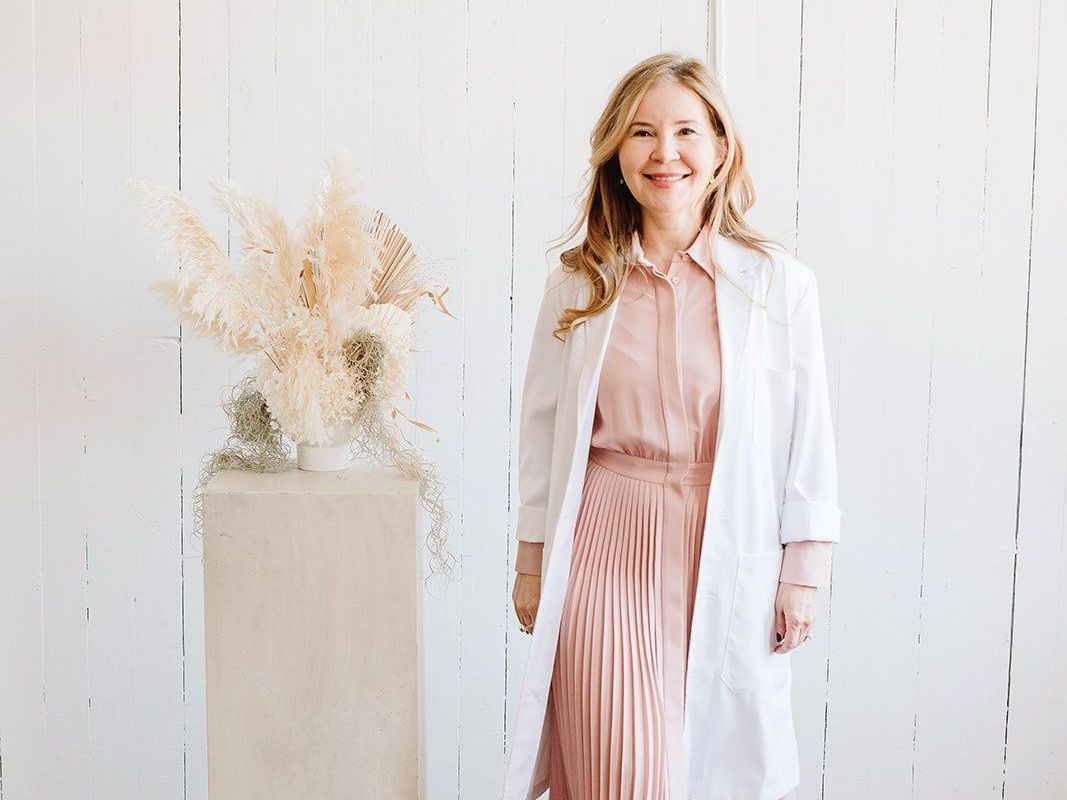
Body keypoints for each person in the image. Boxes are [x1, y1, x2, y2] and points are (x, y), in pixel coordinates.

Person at [506, 52, 840, 800]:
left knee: (716, 772)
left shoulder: (777, 286)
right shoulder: (579, 282)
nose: (665, 153)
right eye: (641, 133)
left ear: (720, 150)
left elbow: (806, 431)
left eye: (686, 131)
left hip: (726, 534)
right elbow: (541, 431)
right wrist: (531, 561)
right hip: (605, 540)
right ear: (615, 155)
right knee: (620, 775)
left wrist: (803, 570)